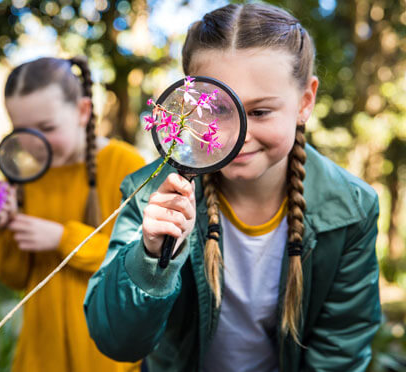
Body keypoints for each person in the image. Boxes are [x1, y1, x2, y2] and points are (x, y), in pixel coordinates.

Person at [84, 3, 381, 372]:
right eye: (216, 110)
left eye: (259, 112)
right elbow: (117, 341)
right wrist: (149, 260)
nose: (236, 136)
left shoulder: (352, 207)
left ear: (305, 102)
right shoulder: (150, 197)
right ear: (188, 103)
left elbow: (340, 351)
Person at [0, 56, 144, 372]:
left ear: (83, 111)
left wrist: (62, 237)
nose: (34, 142)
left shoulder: (127, 166)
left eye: (46, 128)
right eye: (21, 130)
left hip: (106, 359)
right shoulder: (21, 176)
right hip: (41, 356)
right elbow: (13, 276)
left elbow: (139, 268)